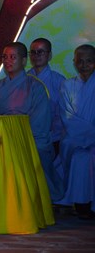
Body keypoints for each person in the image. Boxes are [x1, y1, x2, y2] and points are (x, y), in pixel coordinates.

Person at [0, 41, 63, 202]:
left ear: (24, 60)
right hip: (2, 138)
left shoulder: (36, 87)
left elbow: (40, 123)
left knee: (35, 152)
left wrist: (18, 137)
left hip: (30, 139)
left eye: (13, 57)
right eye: (5, 57)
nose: (8, 61)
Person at [58, 44, 95, 219]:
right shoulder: (67, 85)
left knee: (85, 157)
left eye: (89, 61)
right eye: (80, 61)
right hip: (73, 140)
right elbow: (68, 118)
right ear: (74, 62)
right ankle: (82, 204)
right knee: (80, 156)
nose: (84, 65)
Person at [27, 38, 66, 156]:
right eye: (33, 52)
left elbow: (63, 113)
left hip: (52, 138)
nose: (36, 55)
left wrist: (52, 133)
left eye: (41, 52)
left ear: (49, 55)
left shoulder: (59, 81)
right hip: (27, 137)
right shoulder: (24, 79)